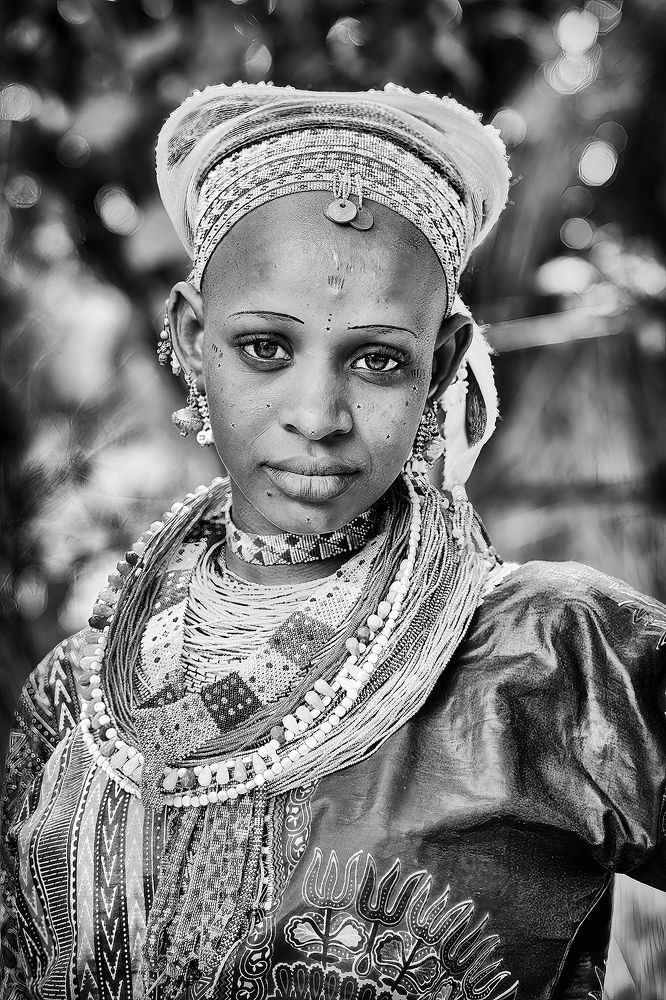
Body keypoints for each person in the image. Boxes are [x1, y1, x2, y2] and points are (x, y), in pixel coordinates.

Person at [1, 82, 665, 1000]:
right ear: (192, 339)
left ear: (441, 363)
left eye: (378, 360)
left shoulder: (559, 655)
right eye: (266, 348)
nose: (318, 416)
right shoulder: (77, 696)